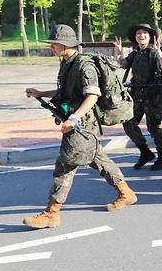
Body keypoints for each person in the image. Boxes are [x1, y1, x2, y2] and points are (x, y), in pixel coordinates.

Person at [23, 25, 137, 229]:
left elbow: (93, 96)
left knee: (65, 165)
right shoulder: (68, 63)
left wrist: (74, 119)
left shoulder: (84, 65)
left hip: (82, 125)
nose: (51, 48)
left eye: (54, 44)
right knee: (98, 159)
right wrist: (41, 93)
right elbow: (66, 94)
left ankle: (52, 213)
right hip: (80, 124)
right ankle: (125, 192)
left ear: (64, 44)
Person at [114, 23, 162, 170]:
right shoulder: (135, 53)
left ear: (150, 36)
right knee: (128, 124)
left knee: (153, 127)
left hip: (153, 95)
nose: (141, 36)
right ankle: (145, 152)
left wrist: (159, 52)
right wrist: (118, 52)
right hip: (138, 95)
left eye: (145, 33)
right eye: (138, 33)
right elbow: (122, 64)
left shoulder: (153, 52)